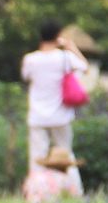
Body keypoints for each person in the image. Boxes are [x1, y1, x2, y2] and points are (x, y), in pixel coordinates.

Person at [20, 22, 86, 165]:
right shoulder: (65, 57)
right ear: (58, 36)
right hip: (61, 114)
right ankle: (70, 186)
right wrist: (71, 47)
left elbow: (26, 76)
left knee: (37, 157)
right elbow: (84, 67)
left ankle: (38, 186)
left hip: (37, 115)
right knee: (65, 155)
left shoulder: (30, 59)